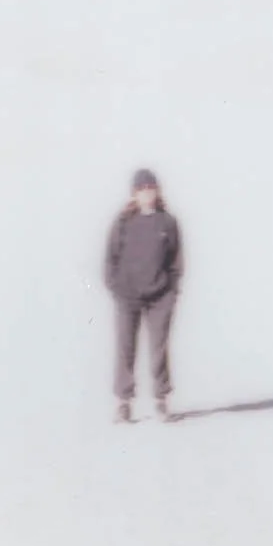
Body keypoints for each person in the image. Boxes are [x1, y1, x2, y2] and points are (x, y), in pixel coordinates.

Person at [103, 167, 183, 423]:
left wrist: (170, 290)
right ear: (134, 194)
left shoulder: (167, 223)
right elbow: (110, 259)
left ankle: (161, 399)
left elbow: (176, 261)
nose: (146, 193)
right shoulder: (123, 222)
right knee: (126, 348)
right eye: (141, 190)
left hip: (160, 297)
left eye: (150, 189)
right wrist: (116, 287)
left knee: (159, 348)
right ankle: (123, 403)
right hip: (128, 297)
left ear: (157, 192)